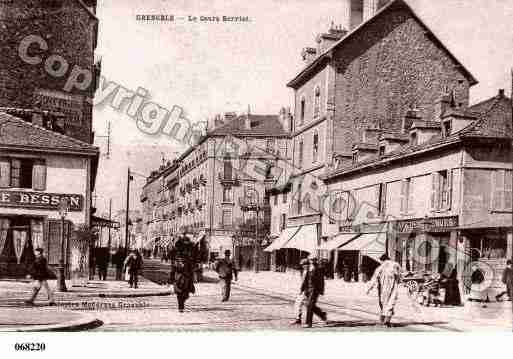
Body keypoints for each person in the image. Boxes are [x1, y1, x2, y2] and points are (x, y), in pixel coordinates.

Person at [366, 254, 402, 327]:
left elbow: (374, 279)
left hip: (383, 289)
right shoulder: (396, 265)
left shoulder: (380, 267)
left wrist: (368, 288)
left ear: (382, 260)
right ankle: (387, 322)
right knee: (391, 304)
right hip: (394, 288)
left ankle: (383, 322)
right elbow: (400, 276)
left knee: (383, 304)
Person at [301, 256, 327, 328]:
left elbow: (321, 281)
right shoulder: (308, 268)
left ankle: (308, 323)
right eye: (311, 260)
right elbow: (305, 280)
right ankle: (322, 315)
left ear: (316, 261)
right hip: (308, 289)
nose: (312, 261)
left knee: (309, 305)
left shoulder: (318, 269)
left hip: (314, 290)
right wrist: (303, 289)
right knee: (309, 305)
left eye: (314, 260)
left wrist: (321, 290)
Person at [290, 259, 310, 325]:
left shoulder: (306, 271)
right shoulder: (307, 271)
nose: (302, 266)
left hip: (306, 291)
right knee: (306, 305)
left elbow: (304, 282)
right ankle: (298, 318)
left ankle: (298, 319)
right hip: (307, 291)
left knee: (298, 304)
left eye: (303, 265)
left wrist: (301, 290)